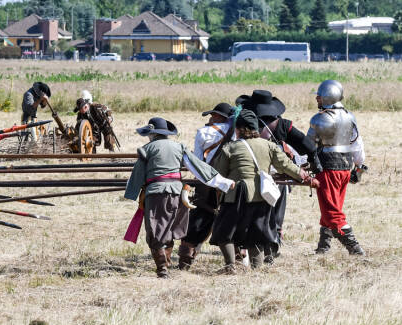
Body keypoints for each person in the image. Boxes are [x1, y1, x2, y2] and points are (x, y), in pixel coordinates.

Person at [124, 117, 233, 277]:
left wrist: (132, 192)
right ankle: (166, 264)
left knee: (155, 229)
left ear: (152, 134)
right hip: (177, 192)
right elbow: (198, 167)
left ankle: (162, 269)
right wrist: (221, 182)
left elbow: (138, 174)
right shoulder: (179, 147)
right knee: (170, 227)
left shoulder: (147, 149)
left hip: (156, 193)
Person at [209, 109, 316, 273]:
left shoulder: (230, 148)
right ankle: (257, 270)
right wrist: (306, 178)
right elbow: (286, 166)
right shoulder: (269, 145)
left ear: (239, 129)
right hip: (261, 195)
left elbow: (219, 174)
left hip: (236, 195)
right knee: (256, 234)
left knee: (224, 231)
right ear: (256, 129)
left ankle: (230, 266)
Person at [241, 89, 315, 262]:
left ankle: (252, 249)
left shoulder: (243, 122)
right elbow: (307, 145)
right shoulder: (282, 124)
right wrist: (311, 162)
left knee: (252, 215)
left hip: (250, 176)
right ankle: (273, 247)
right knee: (276, 216)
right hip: (278, 176)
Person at [307, 80, 366, 255]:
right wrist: (358, 167)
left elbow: (308, 147)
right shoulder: (350, 116)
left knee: (332, 212)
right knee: (332, 207)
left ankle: (354, 248)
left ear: (327, 96)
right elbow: (357, 144)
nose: (317, 98)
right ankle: (323, 247)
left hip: (327, 169)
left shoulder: (320, 118)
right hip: (345, 169)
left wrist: (297, 167)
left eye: (319, 94)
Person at [177, 102, 234, 270]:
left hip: (208, 181)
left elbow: (198, 161)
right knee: (232, 218)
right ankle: (237, 258)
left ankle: (186, 258)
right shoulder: (237, 133)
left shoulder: (203, 133)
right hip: (231, 182)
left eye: (213, 115)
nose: (210, 118)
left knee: (198, 219)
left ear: (218, 116)